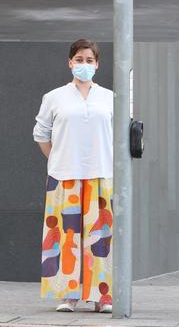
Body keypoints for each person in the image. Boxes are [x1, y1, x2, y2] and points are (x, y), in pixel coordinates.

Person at [34, 38, 114, 313]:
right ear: (70, 63)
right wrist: (57, 158)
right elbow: (41, 134)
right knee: (65, 237)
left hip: (100, 174)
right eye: (79, 60)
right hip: (63, 176)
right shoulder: (54, 97)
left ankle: (101, 295)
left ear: (97, 64)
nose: (83, 64)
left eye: (89, 60)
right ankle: (68, 294)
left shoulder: (109, 98)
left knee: (99, 237)